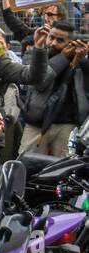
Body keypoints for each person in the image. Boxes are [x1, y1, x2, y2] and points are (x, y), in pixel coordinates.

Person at [17, 20, 88, 156]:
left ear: (70, 42)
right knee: (27, 166)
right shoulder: (37, 52)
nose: (53, 43)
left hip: (67, 125)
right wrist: (63, 57)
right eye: (52, 37)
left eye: (60, 40)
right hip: (37, 124)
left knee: (64, 169)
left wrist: (84, 59)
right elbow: (40, 81)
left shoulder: (78, 58)